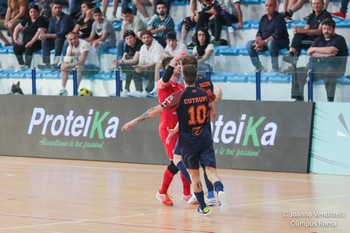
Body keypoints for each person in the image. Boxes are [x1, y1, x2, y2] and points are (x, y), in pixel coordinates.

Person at [121, 64, 230, 216]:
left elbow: (155, 111)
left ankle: (204, 207)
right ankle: (219, 190)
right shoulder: (205, 93)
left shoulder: (179, 95)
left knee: (194, 176)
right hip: (204, 138)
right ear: (196, 77)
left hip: (188, 141)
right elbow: (216, 97)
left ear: (183, 78)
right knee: (211, 172)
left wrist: (134, 121)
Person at [293, 18, 348, 102]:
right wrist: (325, 54)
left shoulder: (339, 39)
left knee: (329, 72)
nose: (326, 31)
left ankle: (330, 100)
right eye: (324, 29)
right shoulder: (319, 39)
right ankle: (299, 98)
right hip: (318, 69)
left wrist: (316, 50)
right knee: (298, 71)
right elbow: (309, 52)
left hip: (336, 68)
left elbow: (331, 50)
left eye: (329, 29)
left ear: (333, 29)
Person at [283, 0, 332, 66]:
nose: (316, 6)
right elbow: (306, 29)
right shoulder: (312, 15)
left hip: (319, 42)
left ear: (323, 4)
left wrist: (301, 30)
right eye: (314, 4)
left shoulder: (326, 15)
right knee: (298, 35)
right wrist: (297, 30)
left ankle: (293, 62)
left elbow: (319, 31)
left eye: (318, 3)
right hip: (310, 39)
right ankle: (291, 54)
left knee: (298, 41)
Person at [246, 0, 289, 72]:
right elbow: (259, 32)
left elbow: (277, 35)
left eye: (270, 5)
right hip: (265, 42)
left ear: (275, 7)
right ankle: (259, 67)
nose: (267, 7)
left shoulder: (279, 17)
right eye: (266, 5)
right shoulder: (263, 18)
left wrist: (264, 42)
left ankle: (275, 67)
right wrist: (258, 41)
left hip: (281, 41)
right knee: (249, 45)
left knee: (271, 43)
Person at [59, 31, 100, 96]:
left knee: (78, 67)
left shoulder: (84, 44)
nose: (73, 41)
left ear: (77, 37)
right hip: (79, 66)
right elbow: (66, 61)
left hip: (93, 67)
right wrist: (70, 49)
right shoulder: (70, 47)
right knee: (64, 68)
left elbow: (82, 62)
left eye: (74, 38)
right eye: (71, 40)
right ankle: (63, 89)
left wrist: (68, 65)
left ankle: (75, 91)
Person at [37, 0, 75, 70]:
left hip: (65, 40)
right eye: (55, 8)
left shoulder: (66, 18)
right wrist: (43, 35)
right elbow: (50, 31)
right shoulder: (53, 19)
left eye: (59, 7)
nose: (57, 9)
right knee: (45, 40)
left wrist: (47, 35)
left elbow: (62, 33)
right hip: (55, 40)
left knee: (58, 40)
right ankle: (46, 63)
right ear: (52, 9)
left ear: (61, 8)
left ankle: (56, 63)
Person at [128, 30, 164, 97]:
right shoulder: (143, 47)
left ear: (151, 38)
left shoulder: (157, 46)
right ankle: (139, 91)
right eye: (144, 38)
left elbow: (156, 62)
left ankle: (149, 91)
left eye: (148, 37)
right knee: (135, 69)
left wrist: (144, 67)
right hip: (147, 68)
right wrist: (138, 66)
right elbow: (142, 61)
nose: (146, 39)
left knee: (152, 68)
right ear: (141, 39)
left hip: (158, 70)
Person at [13, 4, 48, 69]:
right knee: (16, 47)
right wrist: (15, 39)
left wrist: (31, 42)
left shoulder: (41, 20)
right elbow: (17, 28)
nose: (33, 13)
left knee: (28, 48)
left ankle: (27, 66)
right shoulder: (27, 19)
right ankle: (22, 64)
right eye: (31, 12)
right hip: (26, 41)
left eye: (35, 12)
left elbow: (39, 32)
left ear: (38, 12)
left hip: (36, 42)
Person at [152, 31, 187, 97]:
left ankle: (182, 85)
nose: (171, 43)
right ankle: (156, 86)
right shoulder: (168, 47)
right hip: (173, 65)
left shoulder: (182, 46)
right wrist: (169, 57)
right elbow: (164, 54)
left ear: (176, 40)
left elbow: (182, 58)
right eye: (169, 40)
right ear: (166, 41)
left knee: (181, 67)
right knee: (158, 65)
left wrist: (171, 58)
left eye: (173, 40)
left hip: (182, 64)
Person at [114, 30, 143, 97]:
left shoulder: (139, 44)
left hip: (141, 64)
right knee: (119, 67)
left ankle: (138, 90)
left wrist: (121, 61)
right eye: (127, 39)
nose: (129, 40)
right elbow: (124, 58)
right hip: (130, 65)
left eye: (130, 38)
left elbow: (135, 60)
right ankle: (120, 89)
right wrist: (118, 63)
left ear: (135, 37)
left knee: (132, 66)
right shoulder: (126, 45)